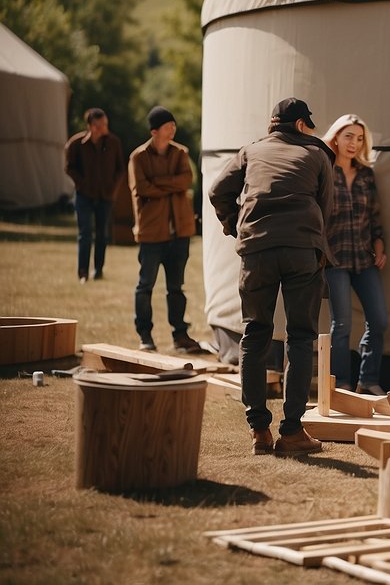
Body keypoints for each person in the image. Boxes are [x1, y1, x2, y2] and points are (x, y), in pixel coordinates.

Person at [209, 98, 335, 457]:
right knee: (299, 337)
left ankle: (259, 432)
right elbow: (327, 207)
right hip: (300, 250)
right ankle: (292, 432)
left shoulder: (250, 151)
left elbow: (218, 191)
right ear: (299, 125)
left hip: (257, 251)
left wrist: (235, 224)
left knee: (255, 333)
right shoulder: (317, 154)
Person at [320, 114, 389, 395]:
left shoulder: (365, 174)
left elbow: (375, 217)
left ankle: (368, 380)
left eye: (359, 138)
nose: (354, 143)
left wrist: (381, 248)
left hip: (364, 258)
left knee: (380, 320)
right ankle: (341, 384)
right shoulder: (323, 170)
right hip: (334, 259)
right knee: (342, 324)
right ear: (335, 136)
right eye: (348, 136)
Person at [128, 106, 203, 354]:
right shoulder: (138, 158)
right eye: (168, 127)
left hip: (179, 232)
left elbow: (185, 181)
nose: (173, 130)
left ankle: (180, 336)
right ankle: (145, 335)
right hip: (151, 233)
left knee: (176, 288)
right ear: (154, 131)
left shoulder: (181, 153)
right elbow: (142, 188)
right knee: (145, 285)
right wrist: (170, 186)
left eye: (174, 126)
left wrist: (158, 183)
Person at [64, 108, 125, 283]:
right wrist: (81, 183)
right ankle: (82, 272)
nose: (105, 127)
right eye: (101, 125)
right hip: (84, 195)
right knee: (85, 234)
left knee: (102, 234)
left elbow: (120, 168)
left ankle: (98, 270)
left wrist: (113, 188)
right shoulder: (76, 144)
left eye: (105, 124)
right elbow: (69, 167)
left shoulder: (114, 142)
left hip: (105, 196)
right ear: (91, 126)